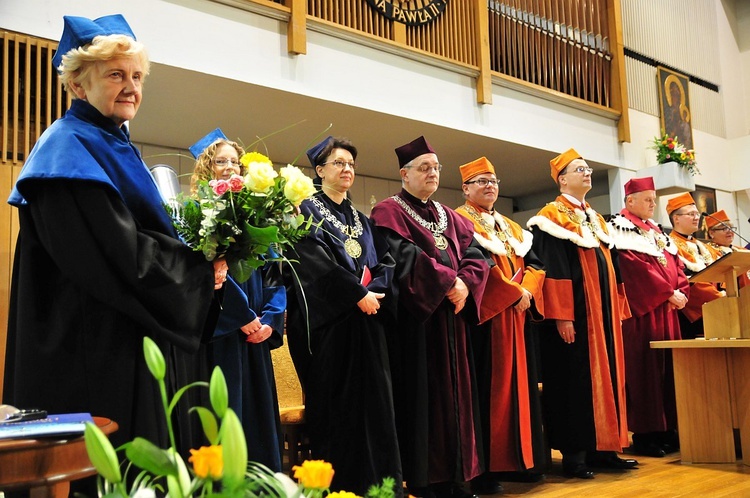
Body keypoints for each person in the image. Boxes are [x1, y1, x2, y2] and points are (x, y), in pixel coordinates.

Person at [2, 13, 226, 469]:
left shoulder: (108, 142)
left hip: (122, 341)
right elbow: (116, 254)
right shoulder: (68, 150)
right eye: (116, 75)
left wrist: (205, 265)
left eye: (138, 76)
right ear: (78, 86)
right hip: (93, 353)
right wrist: (196, 269)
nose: (132, 87)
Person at [370, 136, 490, 498]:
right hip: (418, 324)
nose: (432, 174)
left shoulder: (449, 215)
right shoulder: (387, 211)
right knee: (423, 398)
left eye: (436, 168)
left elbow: (477, 254)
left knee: (460, 397)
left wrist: (465, 285)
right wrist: (447, 282)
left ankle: (460, 476)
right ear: (404, 174)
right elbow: (401, 257)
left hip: (452, 318)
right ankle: (427, 478)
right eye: (424, 168)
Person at [284, 136, 402, 496]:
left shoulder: (362, 220)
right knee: (340, 412)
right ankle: (341, 489)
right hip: (331, 329)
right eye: (338, 163)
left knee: (376, 408)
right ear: (319, 171)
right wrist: (357, 294)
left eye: (351, 163)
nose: (347, 169)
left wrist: (375, 291)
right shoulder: (304, 211)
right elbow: (312, 262)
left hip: (367, 323)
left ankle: (379, 486)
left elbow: (386, 261)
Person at [526, 148, 635, 479]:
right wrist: (562, 315)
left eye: (588, 168)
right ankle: (575, 455)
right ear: (562, 179)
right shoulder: (551, 218)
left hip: (603, 320)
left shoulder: (597, 219)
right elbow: (552, 269)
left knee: (610, 378)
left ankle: (605, 449)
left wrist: (617, 308)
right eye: (579, 169)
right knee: (574, 383)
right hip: (575, 320)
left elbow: (613, 267)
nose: (587, 173)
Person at [189, 128, 286, 471]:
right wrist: (242, 315)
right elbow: (208, 275)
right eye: (221, 161)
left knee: (259, 420)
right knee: (227, 416)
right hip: (224, 335)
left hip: (255, 336)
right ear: (206, 168)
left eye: (235, 161)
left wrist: (271, 319)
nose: (230, 166)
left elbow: (276, 274)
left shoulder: (256, 216)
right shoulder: (196, 214)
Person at [454, 157, 546, 492]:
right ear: (465, 188)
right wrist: (511, 293)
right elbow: (476, 265)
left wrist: (527, 292)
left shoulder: (512, 227)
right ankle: (489, 468)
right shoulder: (460, 222)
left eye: (493, 180)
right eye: (480, 181)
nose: (488, 186)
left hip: (519, 317)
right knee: (487, 390)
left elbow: (537, 264)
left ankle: (521, 461)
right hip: (486, 319)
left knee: (523, 389)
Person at [607, 177, 689, 458]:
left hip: (668, 311)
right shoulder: (621, 227)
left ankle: (667, 430)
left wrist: (681, 290)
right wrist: (668, 293)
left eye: (654, 199)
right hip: (643, 314)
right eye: (648, 199)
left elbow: (676, 265)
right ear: (630, 201)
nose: (654, 203)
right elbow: (633, 269)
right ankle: (645, 435)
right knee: (645, 372)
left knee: (669, 372)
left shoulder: (656, 230)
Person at [666, 193, 724, 339]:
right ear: (676, 218)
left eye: (697, 214)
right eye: (691, 214)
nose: (696, 217)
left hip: (720, 308)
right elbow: (687, 280)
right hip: (694, 314)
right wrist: (721, 298)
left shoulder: (703, 247)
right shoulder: (670, 245)